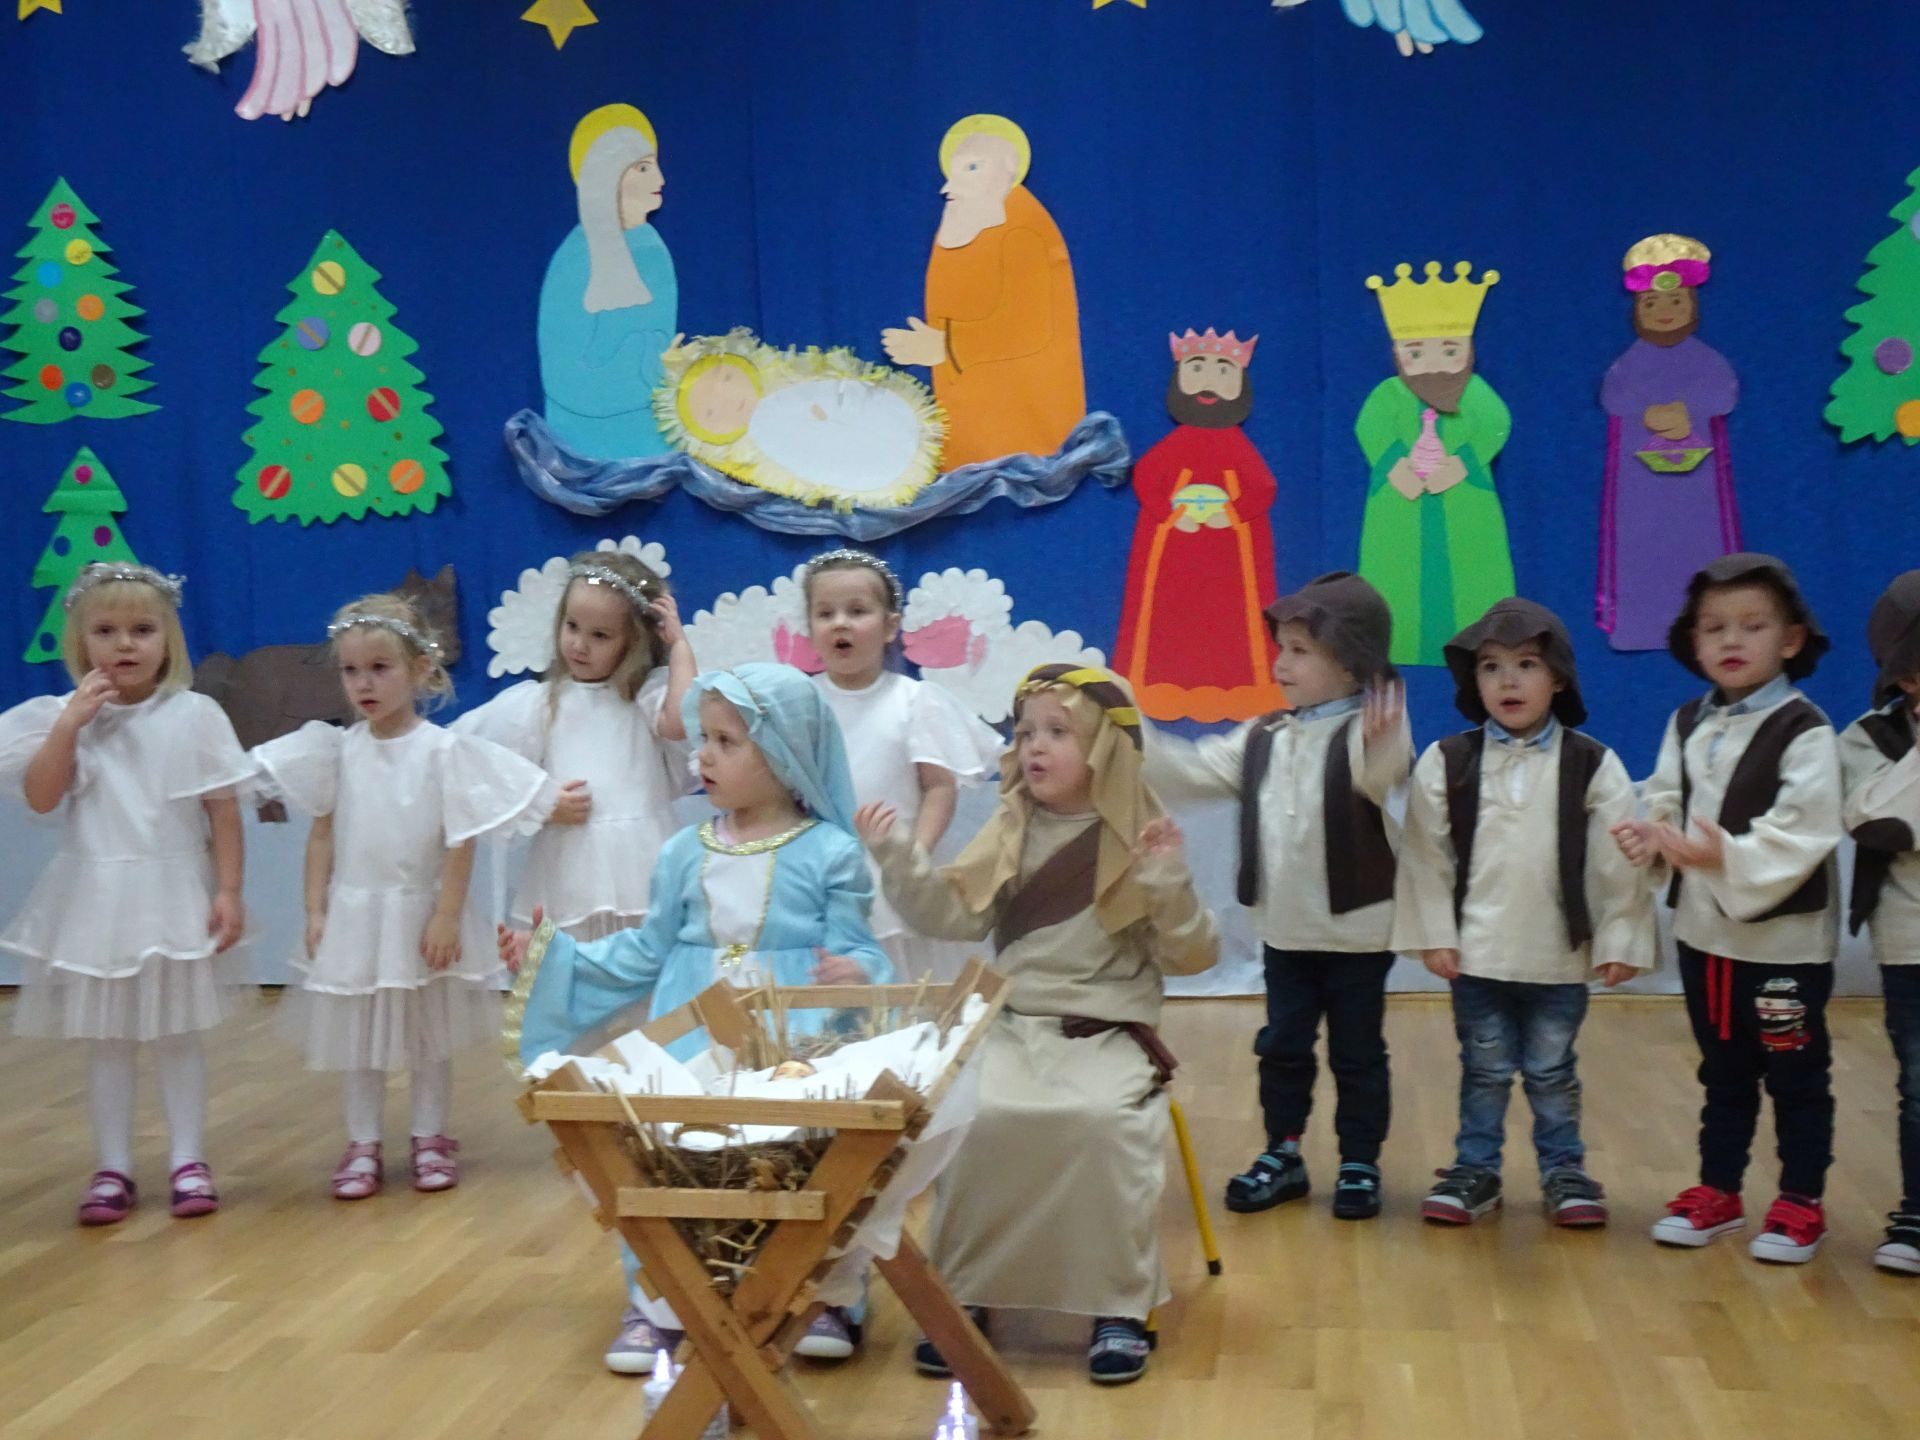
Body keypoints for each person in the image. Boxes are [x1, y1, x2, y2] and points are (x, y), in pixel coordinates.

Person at [499, 662, 893, 1372]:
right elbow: (645, 950)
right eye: (702, 739)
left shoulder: (832, 853)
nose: (701, 756)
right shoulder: (683, 852)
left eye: (725, 742)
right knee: (669, 1155)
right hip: (692, 1036)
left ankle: (824, 1291)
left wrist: (857, 972)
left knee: (807, 1157)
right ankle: (662, 1299)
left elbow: (860, 949)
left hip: (795, 1039)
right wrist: (552, 958)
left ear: (784, 753)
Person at [858, 663, 1217, 1385]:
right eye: (1026, 733)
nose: (1035, 747)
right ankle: (966, 1294)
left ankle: (1116, 1305)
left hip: (1106, 1032)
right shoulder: (1011, 828)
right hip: (1014, 1026)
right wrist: (898, 858)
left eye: (1058, 732)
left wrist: (1167, 883)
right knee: (975, 1116)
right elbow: (951, 916)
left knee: (1101, 1122)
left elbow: (1193, 956)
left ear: (1104, 746)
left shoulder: (1141, 836)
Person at [254, 595, 557, 1202]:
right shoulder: (338, 749)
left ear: (420, 669)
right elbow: (322, 835)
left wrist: (446, 916)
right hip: (358, 916)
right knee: (359, 1039)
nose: (363, 683)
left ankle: (429, 1136)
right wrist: (315, 909)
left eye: (379, 668)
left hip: (422, 913)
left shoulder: (443, 751)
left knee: (427, 1035)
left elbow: (460, 839)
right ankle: (362, 1141)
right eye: (351, 670)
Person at [1145, 573, 1410, 1221]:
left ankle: (1359, 1162)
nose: (1280, 663)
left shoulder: (1374, 730)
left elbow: (1383, 776)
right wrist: (1125, 728)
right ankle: (1283, 1152)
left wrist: (1380, 741)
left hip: (1357, 937)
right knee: (1282, 1048)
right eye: (1281, 648)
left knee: (1357, 1054)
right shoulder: (1264, 736)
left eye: (1299, 651)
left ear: (1348, 663)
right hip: (1285, 935)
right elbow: (1192, 772)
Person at [1, 563, 253, 1225]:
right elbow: (42, 797)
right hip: (97, 897)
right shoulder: (63, 718)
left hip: (173, 890)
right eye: (106, 631)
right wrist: (69, 727)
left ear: (168, 639)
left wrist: (229, 889)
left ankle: (188, 1160)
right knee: (109, 1039)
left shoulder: (194, 715)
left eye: (142, 629)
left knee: (176, 1033)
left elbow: (223, 809)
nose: (125, 644)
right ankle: (112, 1166)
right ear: (80, 642)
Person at [1394, 598, 1654, 1227]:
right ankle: (1475, 1169)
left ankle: (1565, 1171)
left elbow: (1617, 863)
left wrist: (1619, 938)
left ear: (1558, 677)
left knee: (1551, 1071)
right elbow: (1426, 858)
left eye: (1527, 664)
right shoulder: (1447, 761)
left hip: (1558, 958)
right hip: (1477, 956)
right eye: (1491, 667)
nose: (1508, 681)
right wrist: (1435, 933)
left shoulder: (1593, 764)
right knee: (1483, 1070)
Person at [1614, 554, 1842, 1263]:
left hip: (1783, 946)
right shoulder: (1688, 720)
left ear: (1792, 639)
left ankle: (1801, 1200)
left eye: (1752, 625)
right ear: (1694, 640)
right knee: (1723, 1070)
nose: (1731, 640)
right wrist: (1653, 834)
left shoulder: (1805, 729)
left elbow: (1804, 828)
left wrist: (1727, 856)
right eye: (1714, 627)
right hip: (1706, 937)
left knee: (1796, 1073)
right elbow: (1665, 795)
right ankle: (1719, 1190)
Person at [453, 551, 694, 942]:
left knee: (646, 961)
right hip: (568, 868)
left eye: (600, 635)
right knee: (570, 965)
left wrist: (680, 646)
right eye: (572, 626)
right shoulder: (539, 704)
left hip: (640, 862)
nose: (579, 645)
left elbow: (682, 723)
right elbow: (466, 756)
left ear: (633, 642)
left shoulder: (645, 697)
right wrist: (540, 801)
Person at [1837, 570, 1920, 1274]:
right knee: (1918, 1082)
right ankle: (1918, 1211)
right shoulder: (1867, 739)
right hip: (1910, 942)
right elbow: (1876, 821)